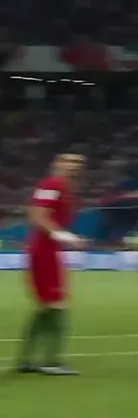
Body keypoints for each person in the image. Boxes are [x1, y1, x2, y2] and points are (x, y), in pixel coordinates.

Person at [14, 153, 86, 375]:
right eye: (68, 161)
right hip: (43, 251)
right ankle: (51, 361)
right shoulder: (52, 184)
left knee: (48, 306)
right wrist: (64, 236)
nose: (73, 165)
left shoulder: (67, 189)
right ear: (56, 164)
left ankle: (26, 360)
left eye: (78, 162)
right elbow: (37, 215)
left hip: (50, 250)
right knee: (57, 305)